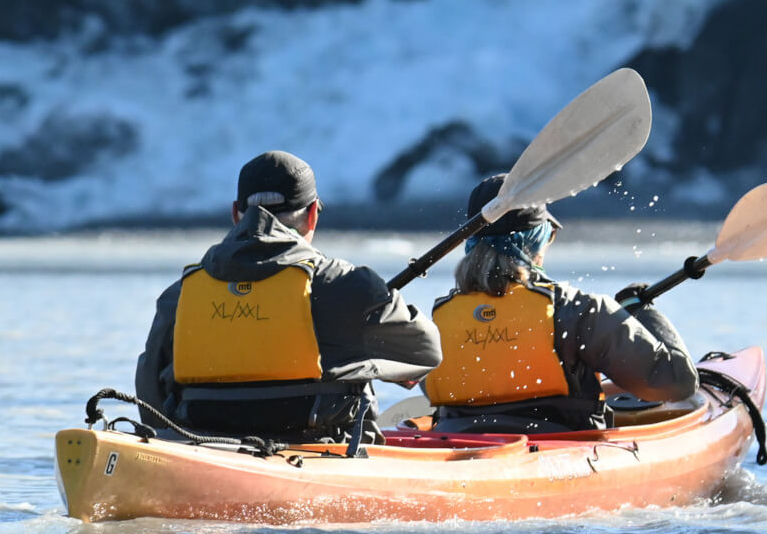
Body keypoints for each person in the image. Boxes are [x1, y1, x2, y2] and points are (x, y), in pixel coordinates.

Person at [135, 151, 443, 444]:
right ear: (312, 215)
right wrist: (367, 362)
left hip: (205, 445)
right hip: (319, 447)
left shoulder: (181, 294)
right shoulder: (347, 284)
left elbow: (150, 388)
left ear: (235, 214)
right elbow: (426, 351)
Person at [423, 174, 698, 433]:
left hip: (456, 444)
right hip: (561, 450)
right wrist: (639, 310)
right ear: (536, 241)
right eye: (549, 235)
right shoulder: (578, 311)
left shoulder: (437, 321)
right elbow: (676, 383)